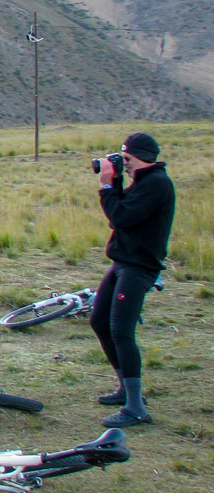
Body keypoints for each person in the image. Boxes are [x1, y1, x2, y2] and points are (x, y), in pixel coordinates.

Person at [92, 131, 175, 427]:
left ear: (140, 158)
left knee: (122, 331)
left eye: (126, 159)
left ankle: (136, 407)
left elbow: (122, 218)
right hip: (124, 262)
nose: (123, 163)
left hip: (138, 267)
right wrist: (115, 183)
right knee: (100, 321)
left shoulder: (156, 185)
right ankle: (126, 390)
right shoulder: (144, 182)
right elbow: (123, 214)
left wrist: (105, 187)